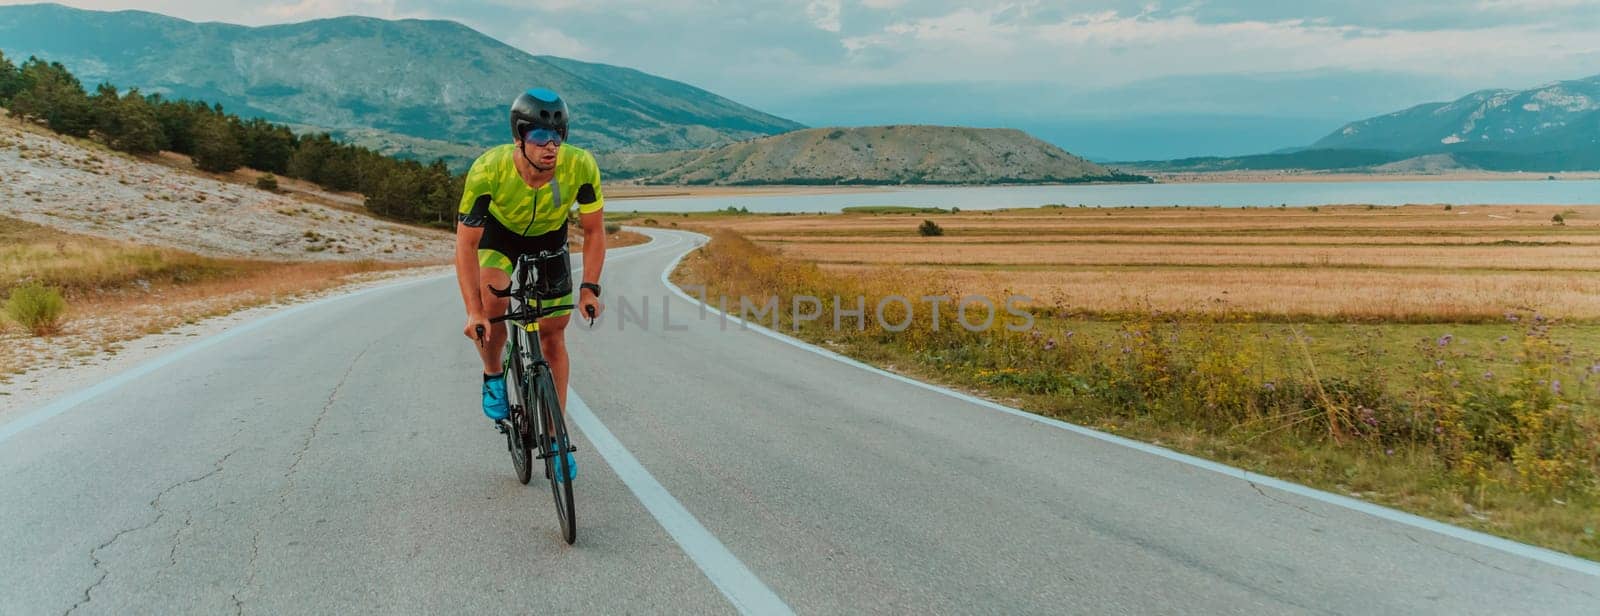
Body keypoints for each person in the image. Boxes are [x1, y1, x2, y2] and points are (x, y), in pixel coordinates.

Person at [453, 88, 605, 481]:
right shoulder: (488, 171)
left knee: (554, 337)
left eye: (558, 136)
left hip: (549, 238)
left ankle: (555, 440)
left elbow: (593, 230)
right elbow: (466, 246)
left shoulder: (581, 167)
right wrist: (473, 312)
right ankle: (492, 376)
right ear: (519, 137)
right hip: (499, 237)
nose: (550, 146)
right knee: (492, 308)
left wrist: (590, 287)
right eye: (539, 137)